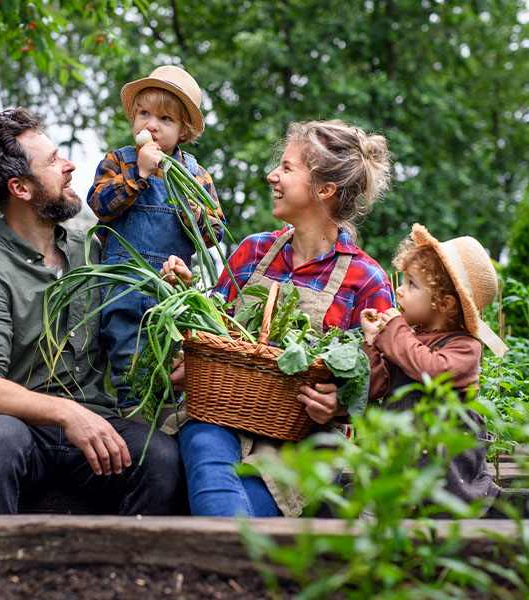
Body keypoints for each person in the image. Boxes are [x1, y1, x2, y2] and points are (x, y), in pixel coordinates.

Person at [0, 108, 184, 515]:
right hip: (26, 433)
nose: (70, 165)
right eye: (54, 161)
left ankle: (123, 557)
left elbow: (133, 326)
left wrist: (170, 291)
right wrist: (66, 413)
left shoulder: (95, 252)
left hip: (96, 433)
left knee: (161, 457)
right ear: (21, 188)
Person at [163, 119, 395, 517]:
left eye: (287, 168)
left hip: (304, 441)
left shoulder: (366, 279)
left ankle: (220, 553)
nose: (272, 175)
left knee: (233, 506)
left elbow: (383, 383)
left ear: (324, 189)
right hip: (223, 415)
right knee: (206, 452)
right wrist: (188, 306)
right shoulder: (252, 252)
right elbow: (212, 331)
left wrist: (340, 404)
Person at [87, 65, 224, 413]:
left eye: (165, 119)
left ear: (183, 131)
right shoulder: (119, 161)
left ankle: (168, 420)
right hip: (123, 287)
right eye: (144, 114)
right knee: (131, 367)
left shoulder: (196, 175)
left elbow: (215, 232)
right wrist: (139, 173)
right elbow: (99, 204)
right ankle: (135, 418)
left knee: (170, 365)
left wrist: (195, 214)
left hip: (171, 291)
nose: (152, 125)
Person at [359, 223, 508, 503]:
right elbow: (375, 388)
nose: (399, 291)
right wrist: (372, 342)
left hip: (444, 466)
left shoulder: (465, 346)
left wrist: (395, 331)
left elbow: (431, 371)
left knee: (440, 507)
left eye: (411, 284)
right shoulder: (407, 339)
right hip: (400, 453)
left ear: (445, 303)